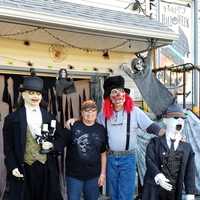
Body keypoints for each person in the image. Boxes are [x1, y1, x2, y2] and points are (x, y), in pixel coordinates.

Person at [96, 75, 163, 200]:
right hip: (110, 158)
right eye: (114, 92)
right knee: (113, 193)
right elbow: (92, 126)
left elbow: (151, 127)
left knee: (125, 194)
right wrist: (74, 121)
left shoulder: (134, 111)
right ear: (109, 97)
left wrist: (167, 133)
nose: (119, 95)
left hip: (128, 158)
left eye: (121, 92)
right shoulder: (102, 115)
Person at [3, 75, 63, 200]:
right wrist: (13, 166)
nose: (35, 96)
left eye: (38, 93)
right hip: (24, 169)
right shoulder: (12, 119)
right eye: (31, 93)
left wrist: (52, 146)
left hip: (46, 169)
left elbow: (62, 138)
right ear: (23, 95)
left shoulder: (49, 116)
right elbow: (8, 148)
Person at [55, 99, 107, 200]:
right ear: (82, 112)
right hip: (74, 176)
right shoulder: (72, 126)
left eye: (92, 110)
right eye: (86, 111)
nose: (90, 113)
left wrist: (103, 174)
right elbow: (59, 144)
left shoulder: (101, 129)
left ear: (96, 112)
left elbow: (103, 153)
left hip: (93, 175)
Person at [142, 103, 196, 200]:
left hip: (174, 193)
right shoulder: (154, 143)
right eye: (175, 117)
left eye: (182, 118)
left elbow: (190, 172)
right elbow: (149, 161)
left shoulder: (187, 148)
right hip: (154, 192)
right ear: (165, 120)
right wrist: (158, 176)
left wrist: (190, 193)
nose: (180, 120)